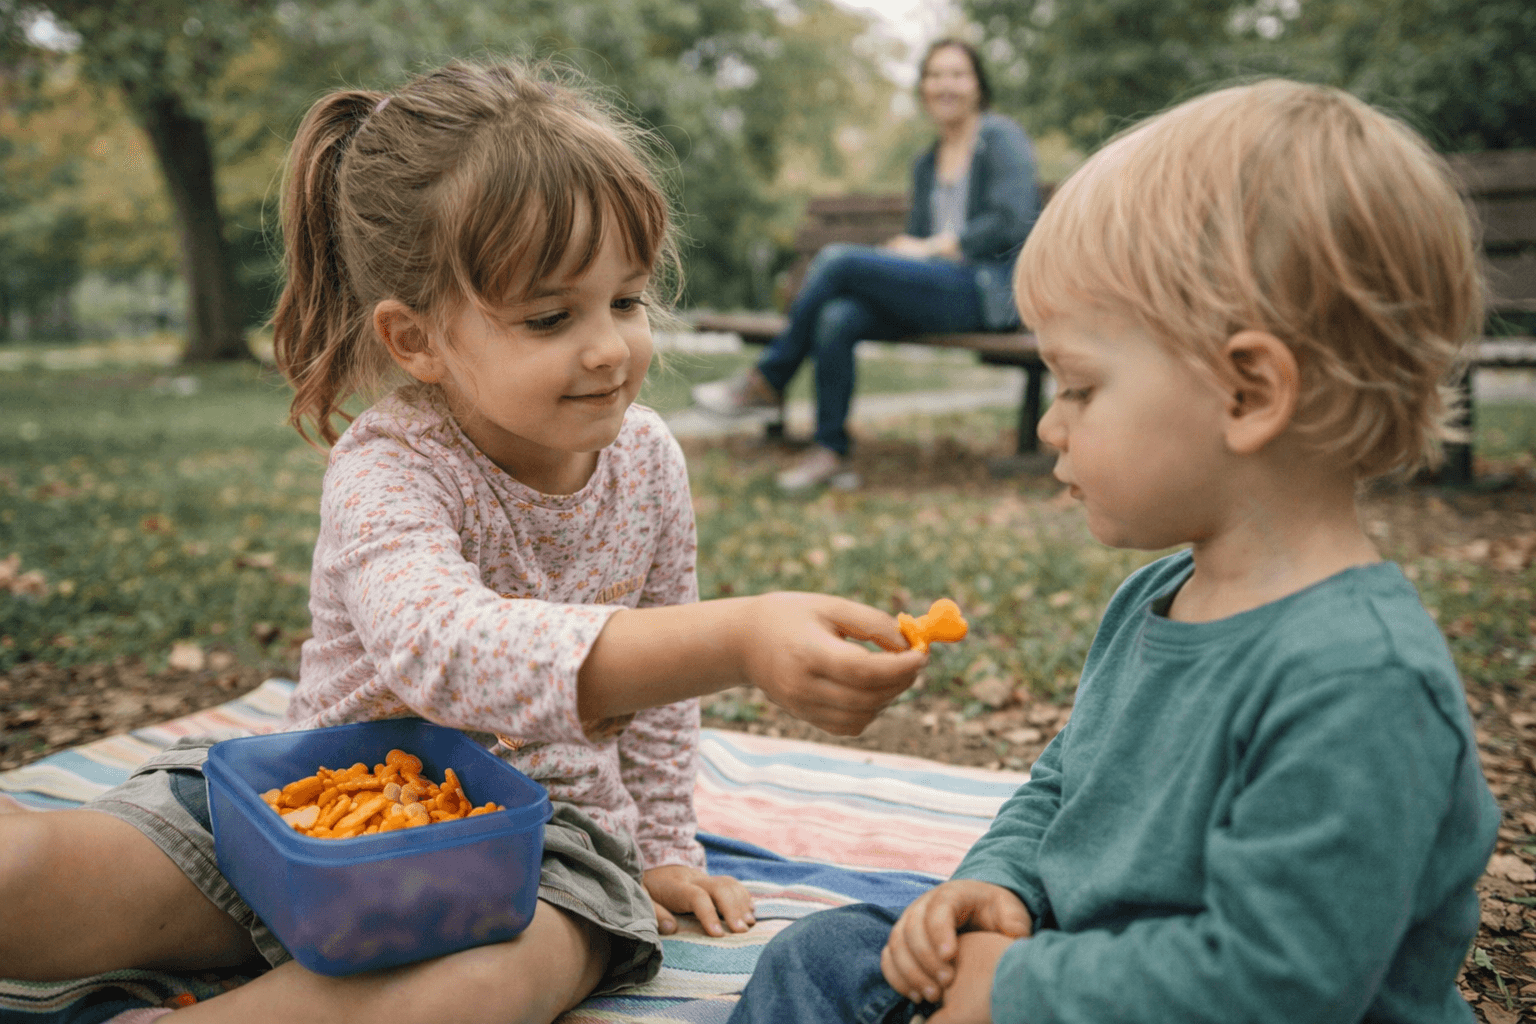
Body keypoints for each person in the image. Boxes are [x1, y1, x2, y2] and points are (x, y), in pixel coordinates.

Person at [0, 59, 929, 1024]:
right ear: (416, 341)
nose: (610, 347)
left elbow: (660, 701)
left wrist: (661, 848)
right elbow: (442, 648)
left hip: (544, 850)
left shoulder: (649, 461)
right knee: (29, 882)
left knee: (497, 982)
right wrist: (739, 639)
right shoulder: (387, 466)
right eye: (549, 317)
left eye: (626, 300)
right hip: (320, 808)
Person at [727, 79, 1502, 1024]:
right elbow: (1067, 785)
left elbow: (1275, 987)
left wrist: (1016, 989)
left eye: (1081, 388)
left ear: (1248, 393)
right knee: (826, 956)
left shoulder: (1360, 684)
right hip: (1080, 975)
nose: (1050, 425)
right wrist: (1003, 887)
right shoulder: (1155, 597)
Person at [692, 39, 1040, 492]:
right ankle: (831, 452)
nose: (944, 84)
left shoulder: (1000, 137)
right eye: (934, 75)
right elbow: (919, 237)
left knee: (838, 258)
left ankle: (769, 379)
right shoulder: (926, 162)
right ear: (923, 88)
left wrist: (936, 246)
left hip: (984, 292)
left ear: (977, 85)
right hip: (938, 289)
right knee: (840, 317)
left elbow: (1011, 219)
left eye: (957, 74)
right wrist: (907, 250)